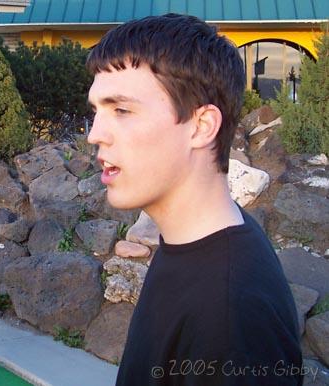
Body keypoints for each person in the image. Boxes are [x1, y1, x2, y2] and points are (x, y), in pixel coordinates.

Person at [86, 14, 302, 386]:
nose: (95, 134)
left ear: (201, 126)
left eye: (121, 110)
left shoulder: (232, 317)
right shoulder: (189, 243)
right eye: (96, 112)